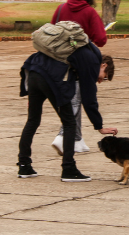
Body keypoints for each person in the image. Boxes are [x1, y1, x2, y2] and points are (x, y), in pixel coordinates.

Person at [18, 42, 118, 181]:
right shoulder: (91, 61)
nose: (100, 81)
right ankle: (69, 168)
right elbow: (89, 99)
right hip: (50, 77)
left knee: (33, 120)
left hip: (33, 71)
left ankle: (24, 165)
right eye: (104, 77)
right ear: (104, 65)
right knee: (70, 123)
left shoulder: (82, 50)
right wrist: (99, 126)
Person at [49, 0, 107, 154]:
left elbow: (51, 30)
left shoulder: (60, 9)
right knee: (75, 99)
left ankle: (77, 138)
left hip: (59, 60)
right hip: (80, 61)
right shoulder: (89, 12)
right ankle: (61, 136)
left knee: (76, 96)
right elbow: (101, 39)